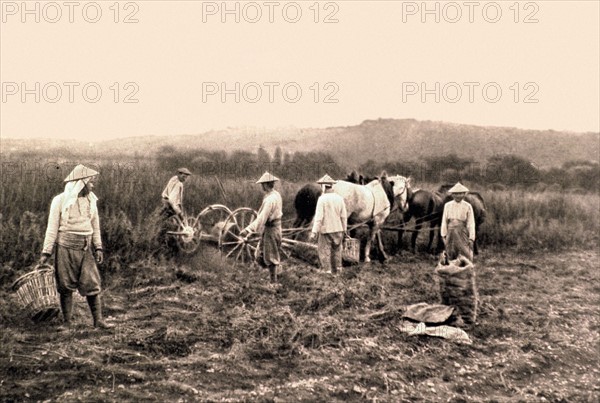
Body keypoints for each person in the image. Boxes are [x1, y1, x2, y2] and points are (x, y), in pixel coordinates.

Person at [39, 164, 112, 329]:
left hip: (85, 249)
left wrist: (98, 247)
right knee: (65, 286)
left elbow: (95, 225)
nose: (92, 185)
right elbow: (52, 228)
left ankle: (98, 320)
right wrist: (46, 251)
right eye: (90, 182)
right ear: (81, 183)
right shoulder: (60, 201)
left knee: (92, 284)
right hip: (65, 247)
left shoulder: (91, 200)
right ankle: (67, 323)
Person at [240, 172, 283, 283]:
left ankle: (274, 282)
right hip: (274, 227)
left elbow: (262, 218)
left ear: (265, 184)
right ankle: (274, 274)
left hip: (271, 229)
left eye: (262, 184)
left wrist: (248, 229)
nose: (261, 187)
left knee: (270, 256)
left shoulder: (270, 200)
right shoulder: (275, 195)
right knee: (261, 254)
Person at [309, 174, 348, 274]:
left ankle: (327, 272)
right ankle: (338, 271)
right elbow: (344, 216)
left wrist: (314, 232)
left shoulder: (322, 199)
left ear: (323, 186)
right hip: (338, 229)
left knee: (324, 251)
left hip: (326, 230)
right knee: (337, 251)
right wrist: (344, 230)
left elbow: (318, 218)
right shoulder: (339, 198)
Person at [158, 168, 192, 257]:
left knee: (160, 220)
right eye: (184, 176)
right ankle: (169, 244)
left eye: (186, 177)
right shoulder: (179, 184)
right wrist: (179, 213)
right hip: (169, 204)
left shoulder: (174, 178)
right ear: (180, 174)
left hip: (164, 200)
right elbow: (173, 200)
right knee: (176, 222)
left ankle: (160, 235)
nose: (185, 179)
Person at [440, 182, 476, 261]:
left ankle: (464, 266)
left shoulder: (467, 206)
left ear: (464, 194)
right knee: (450, 251)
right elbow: (444, 221)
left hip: (462, 231)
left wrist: (471, 238)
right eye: (456, 194)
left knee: (464, 251)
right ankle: (451, 266)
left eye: (460, 194)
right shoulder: (447, 205)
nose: (458, 196)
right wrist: (443, 235)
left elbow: (471, 223)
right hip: (450, 232)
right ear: (452, 195)